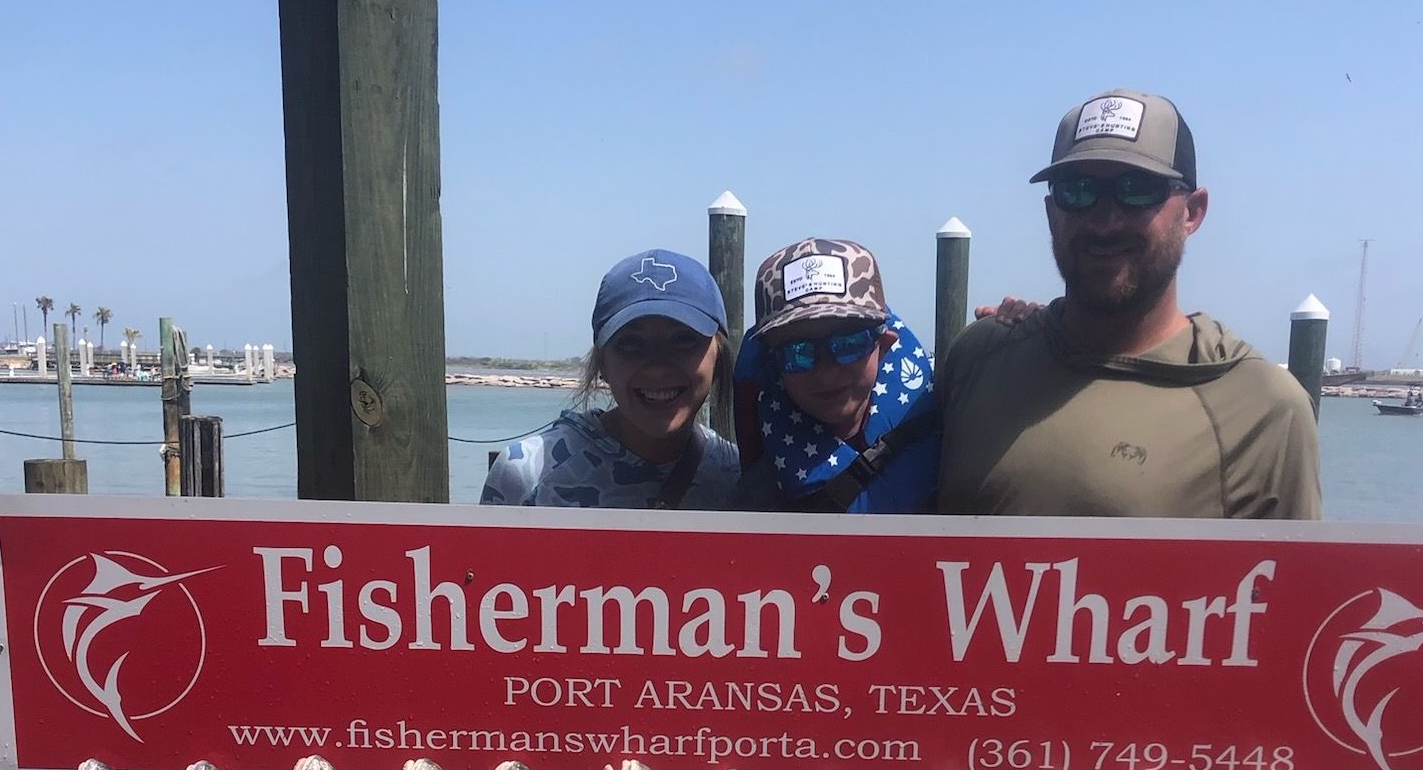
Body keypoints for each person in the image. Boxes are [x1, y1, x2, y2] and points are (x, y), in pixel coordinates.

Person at [938, 90, 1322, 519]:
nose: (1104, 220)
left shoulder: (1266, 410)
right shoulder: (979, 358)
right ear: (1052, 213)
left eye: (1137, 190)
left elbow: (1290, 582)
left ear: (1193, 212)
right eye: (1078, 191)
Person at [481, 251, 738, 509]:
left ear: (719, 358)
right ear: (602, 362)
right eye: (631, 344)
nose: (657, 369)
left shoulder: (739, 478)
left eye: (683, 341)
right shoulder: (528, 473)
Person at [732, 238, 940, 513]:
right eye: (798, 352)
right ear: (774, 364)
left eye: (848, 344)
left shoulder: (951, 444)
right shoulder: (760, 488)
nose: (826, 372)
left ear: (885, 345)